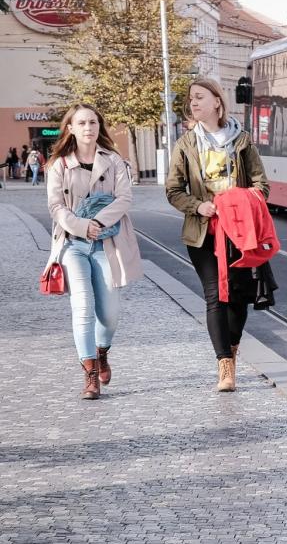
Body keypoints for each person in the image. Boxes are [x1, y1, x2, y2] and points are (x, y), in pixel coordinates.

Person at [166, 77, 270, 392]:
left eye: (200, 97)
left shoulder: (243, 141)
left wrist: (235, 202)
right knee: (215, 296)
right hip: (202, 233)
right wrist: (200, 206)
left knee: (238, 297)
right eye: (191, 99)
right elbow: (172, 190)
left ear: (217, 102)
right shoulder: (185, 144)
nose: (193, 103)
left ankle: (233, 349)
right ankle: (224, 365)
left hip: (238, 234)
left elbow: (261, 186)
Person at [44, 104, 143, 399]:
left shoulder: (114, 161)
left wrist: (97, 222)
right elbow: (55, 207)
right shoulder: (59, 165)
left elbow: (125, 198)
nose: (89, 128)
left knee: (110, 315)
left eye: (93, 122)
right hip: (72, 245)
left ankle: (102, 352)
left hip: (106, 242)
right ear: (71, 129)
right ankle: (89, 374)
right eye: (82, 123)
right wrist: (80, 225)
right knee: (83, 307)